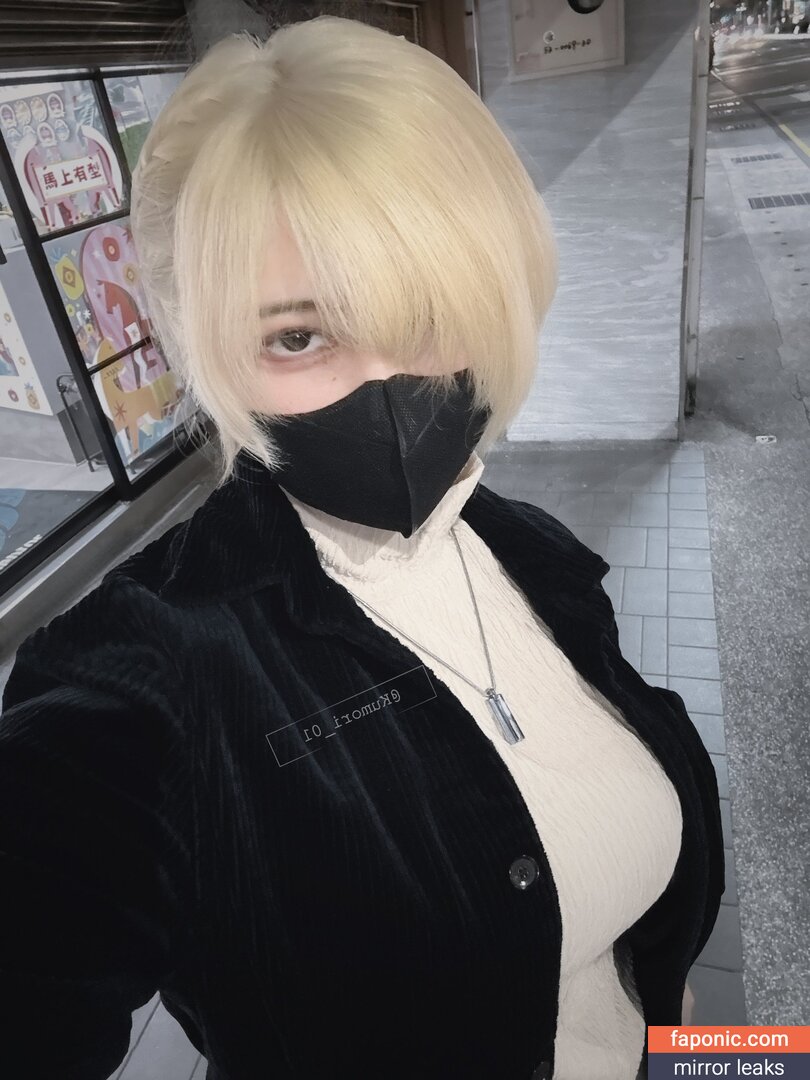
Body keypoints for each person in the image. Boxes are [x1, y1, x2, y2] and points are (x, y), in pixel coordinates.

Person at [0, 15, 724, 1080]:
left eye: (425, 310)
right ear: (212, 351)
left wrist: (662, 1006)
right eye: (298, 335)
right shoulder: (149, 675)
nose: (385, 384)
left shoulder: (533, 554)